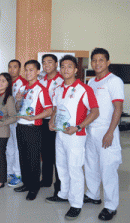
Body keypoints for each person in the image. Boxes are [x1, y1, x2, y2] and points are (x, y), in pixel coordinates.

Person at [46, 55, 99, 220]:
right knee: (61, 165)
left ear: (76, 70)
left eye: (69, 66)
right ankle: (63, 194)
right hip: (60, 133)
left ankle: (76, 204)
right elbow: (56, 108)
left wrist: (78, 127)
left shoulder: (84, 89)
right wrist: (51, 122)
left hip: (76, 135)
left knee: (74, 168)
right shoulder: (59, 88)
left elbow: (95, 111)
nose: (65, 69)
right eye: (62, 66)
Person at [84, 48, 124, 221]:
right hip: (91, 131)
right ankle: (93, 195)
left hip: (107, 131)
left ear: (108, 62)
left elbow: (118, 108)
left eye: (101, 60)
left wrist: (110, 132)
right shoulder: (91, 82)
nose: (97, 63)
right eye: (94, 60)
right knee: (91, 165)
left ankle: (110, 206)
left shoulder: (114, 81)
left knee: (108, 169)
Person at [14, 60, 53, 200]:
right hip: (21, 126)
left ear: (38, 72)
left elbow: (49, 110)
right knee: (23, 157)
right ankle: (26, 183)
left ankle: (34, 187)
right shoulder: (24, 88)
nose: (28, 73)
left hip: (34, 127)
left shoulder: (41, 89)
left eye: (31, 70)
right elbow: (18, 109)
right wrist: (18, 100)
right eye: (26, 70)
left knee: (33, 159)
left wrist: (34, 117)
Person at [39, 54, 63, 196]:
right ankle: (46, 179)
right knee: (45, 152)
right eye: (44, 63)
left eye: (49, 62)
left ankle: (59, 185)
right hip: (42, 120)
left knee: (56, 155)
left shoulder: (61, 80)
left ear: (56, 64)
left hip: (55, 122)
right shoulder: (41, 80)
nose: (46, 65)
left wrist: (52, 119)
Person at [6, 59, 28, 187]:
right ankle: (10, 172)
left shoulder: (23, 83)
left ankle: (18, 174)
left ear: (19, 69)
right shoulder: (7, 82)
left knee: (18, 148)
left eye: (15, 67)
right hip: (8, 120)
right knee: (9, 147)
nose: (12, 69)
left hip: (18, 120)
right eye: (10, 67)